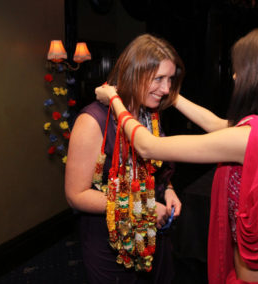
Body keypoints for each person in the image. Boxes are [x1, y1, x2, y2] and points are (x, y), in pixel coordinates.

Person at [96, 23, 258, 283]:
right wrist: (170, 95)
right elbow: (216, 123)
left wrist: (114, 99)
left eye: (240, 68)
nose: (235, 76)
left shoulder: (252, 137)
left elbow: (148, 146)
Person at [65, 34, 183, 284]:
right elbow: (76, 195)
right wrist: (146, 209)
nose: (166, 89)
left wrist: (168, 188)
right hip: (111, 242)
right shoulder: (92, 120)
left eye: (170, 79)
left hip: (155, 237)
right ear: (133, 74)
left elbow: (155, 166)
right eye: (159, 79)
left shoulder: (149, 112)